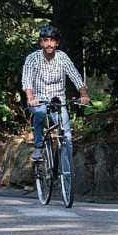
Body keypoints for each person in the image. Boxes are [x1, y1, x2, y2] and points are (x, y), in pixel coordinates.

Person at [21, 24, 90, 163]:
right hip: (39, 99)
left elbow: (75, 75)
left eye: (52, 40)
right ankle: (39, 147)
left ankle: (65, 171)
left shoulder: (62, 57)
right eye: (45, 40)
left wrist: (84, 94)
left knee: (67, 137)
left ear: (57, 43)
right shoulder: (32, 59)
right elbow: (27, 80)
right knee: (39, 113)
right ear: (41, 42)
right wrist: (30, 97)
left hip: (58, 99)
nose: (49, 44)